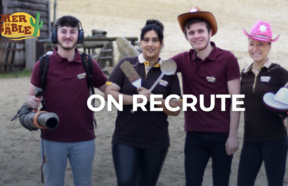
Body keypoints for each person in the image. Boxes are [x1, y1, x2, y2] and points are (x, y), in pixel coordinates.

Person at [26, 15, 107, 186]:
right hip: (51, 139)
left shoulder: (88, 63)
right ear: (55, 35)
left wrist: (128, 93)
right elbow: (29, 97)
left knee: (84, 183)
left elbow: (109, 89)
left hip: (84, 139)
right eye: (63, 31)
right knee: (53, 183)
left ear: (80, 36)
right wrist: (31, 102)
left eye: (73, 31)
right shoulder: (42, 65)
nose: (68, 35)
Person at [105, 19, 182, 186]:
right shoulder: (127, 65)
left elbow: (175, 108)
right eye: (146, 40)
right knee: (126, 182)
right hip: (125, 138)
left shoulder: (168, 72)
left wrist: (153, 98)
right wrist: (135, 99)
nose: (150, 44)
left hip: (156, 141)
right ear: (140, 42)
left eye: (155, 40)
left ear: (162, 44)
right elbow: (109, 94)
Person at [171, 7, 241, 186]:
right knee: (192, 182)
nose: (196, 36)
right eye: (191, 32)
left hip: (222, 134)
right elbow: (158, 69)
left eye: (200, 31)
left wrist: (233, 135)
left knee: (221, 182)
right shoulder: (182, 59)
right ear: (187, 36)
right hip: (194, 136)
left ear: (210, 33)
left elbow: (236, 99)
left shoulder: (227, 59)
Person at [237, 20, 288, 186]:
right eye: (251, 43)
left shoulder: (278, 72)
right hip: (250, 140)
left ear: (269, 46)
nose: (255, 48)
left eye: (261, 44)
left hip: (275, 141)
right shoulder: (244, 74)